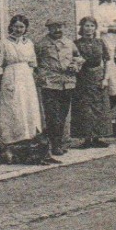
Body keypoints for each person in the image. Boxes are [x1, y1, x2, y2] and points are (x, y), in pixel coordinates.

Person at [0, 14, 49, 164]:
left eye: (22, 27)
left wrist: (29, 76)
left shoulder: (28, 43)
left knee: (28, 109)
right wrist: (4, 79)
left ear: (25, 29)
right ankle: (10, 144)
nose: (18, 30)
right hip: (11, 77)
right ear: (11, 26)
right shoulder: (3, 43)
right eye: (16, 26)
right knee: (13, 110)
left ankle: (29, 142)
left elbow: (32, 63)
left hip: (26, 78)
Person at [35, 19, 81, 158]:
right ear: (48, 29)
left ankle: (58, 143)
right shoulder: (41, 44)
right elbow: (34, 63)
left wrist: (76, 65)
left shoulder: (69, 43)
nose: (57, 30)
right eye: (54, 28)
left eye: (59, 27)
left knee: (62, 114)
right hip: (50, 83)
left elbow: (78, 57)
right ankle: (53, 145)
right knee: (52, 115)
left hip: (67, 82)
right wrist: (42, 76)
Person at [70, 17, 112, 149]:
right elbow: (73, 60)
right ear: (81, 28)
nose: (89, 29)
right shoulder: (76, 43)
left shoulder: (100, 42)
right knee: (84, 108)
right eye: (86, 26)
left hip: (98, 76)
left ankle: (98, 137)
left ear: (95, 28)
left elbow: (107, 61)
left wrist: (105, 79)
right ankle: (86, 138)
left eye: (92, 26)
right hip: (83, 77)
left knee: (99, 107)